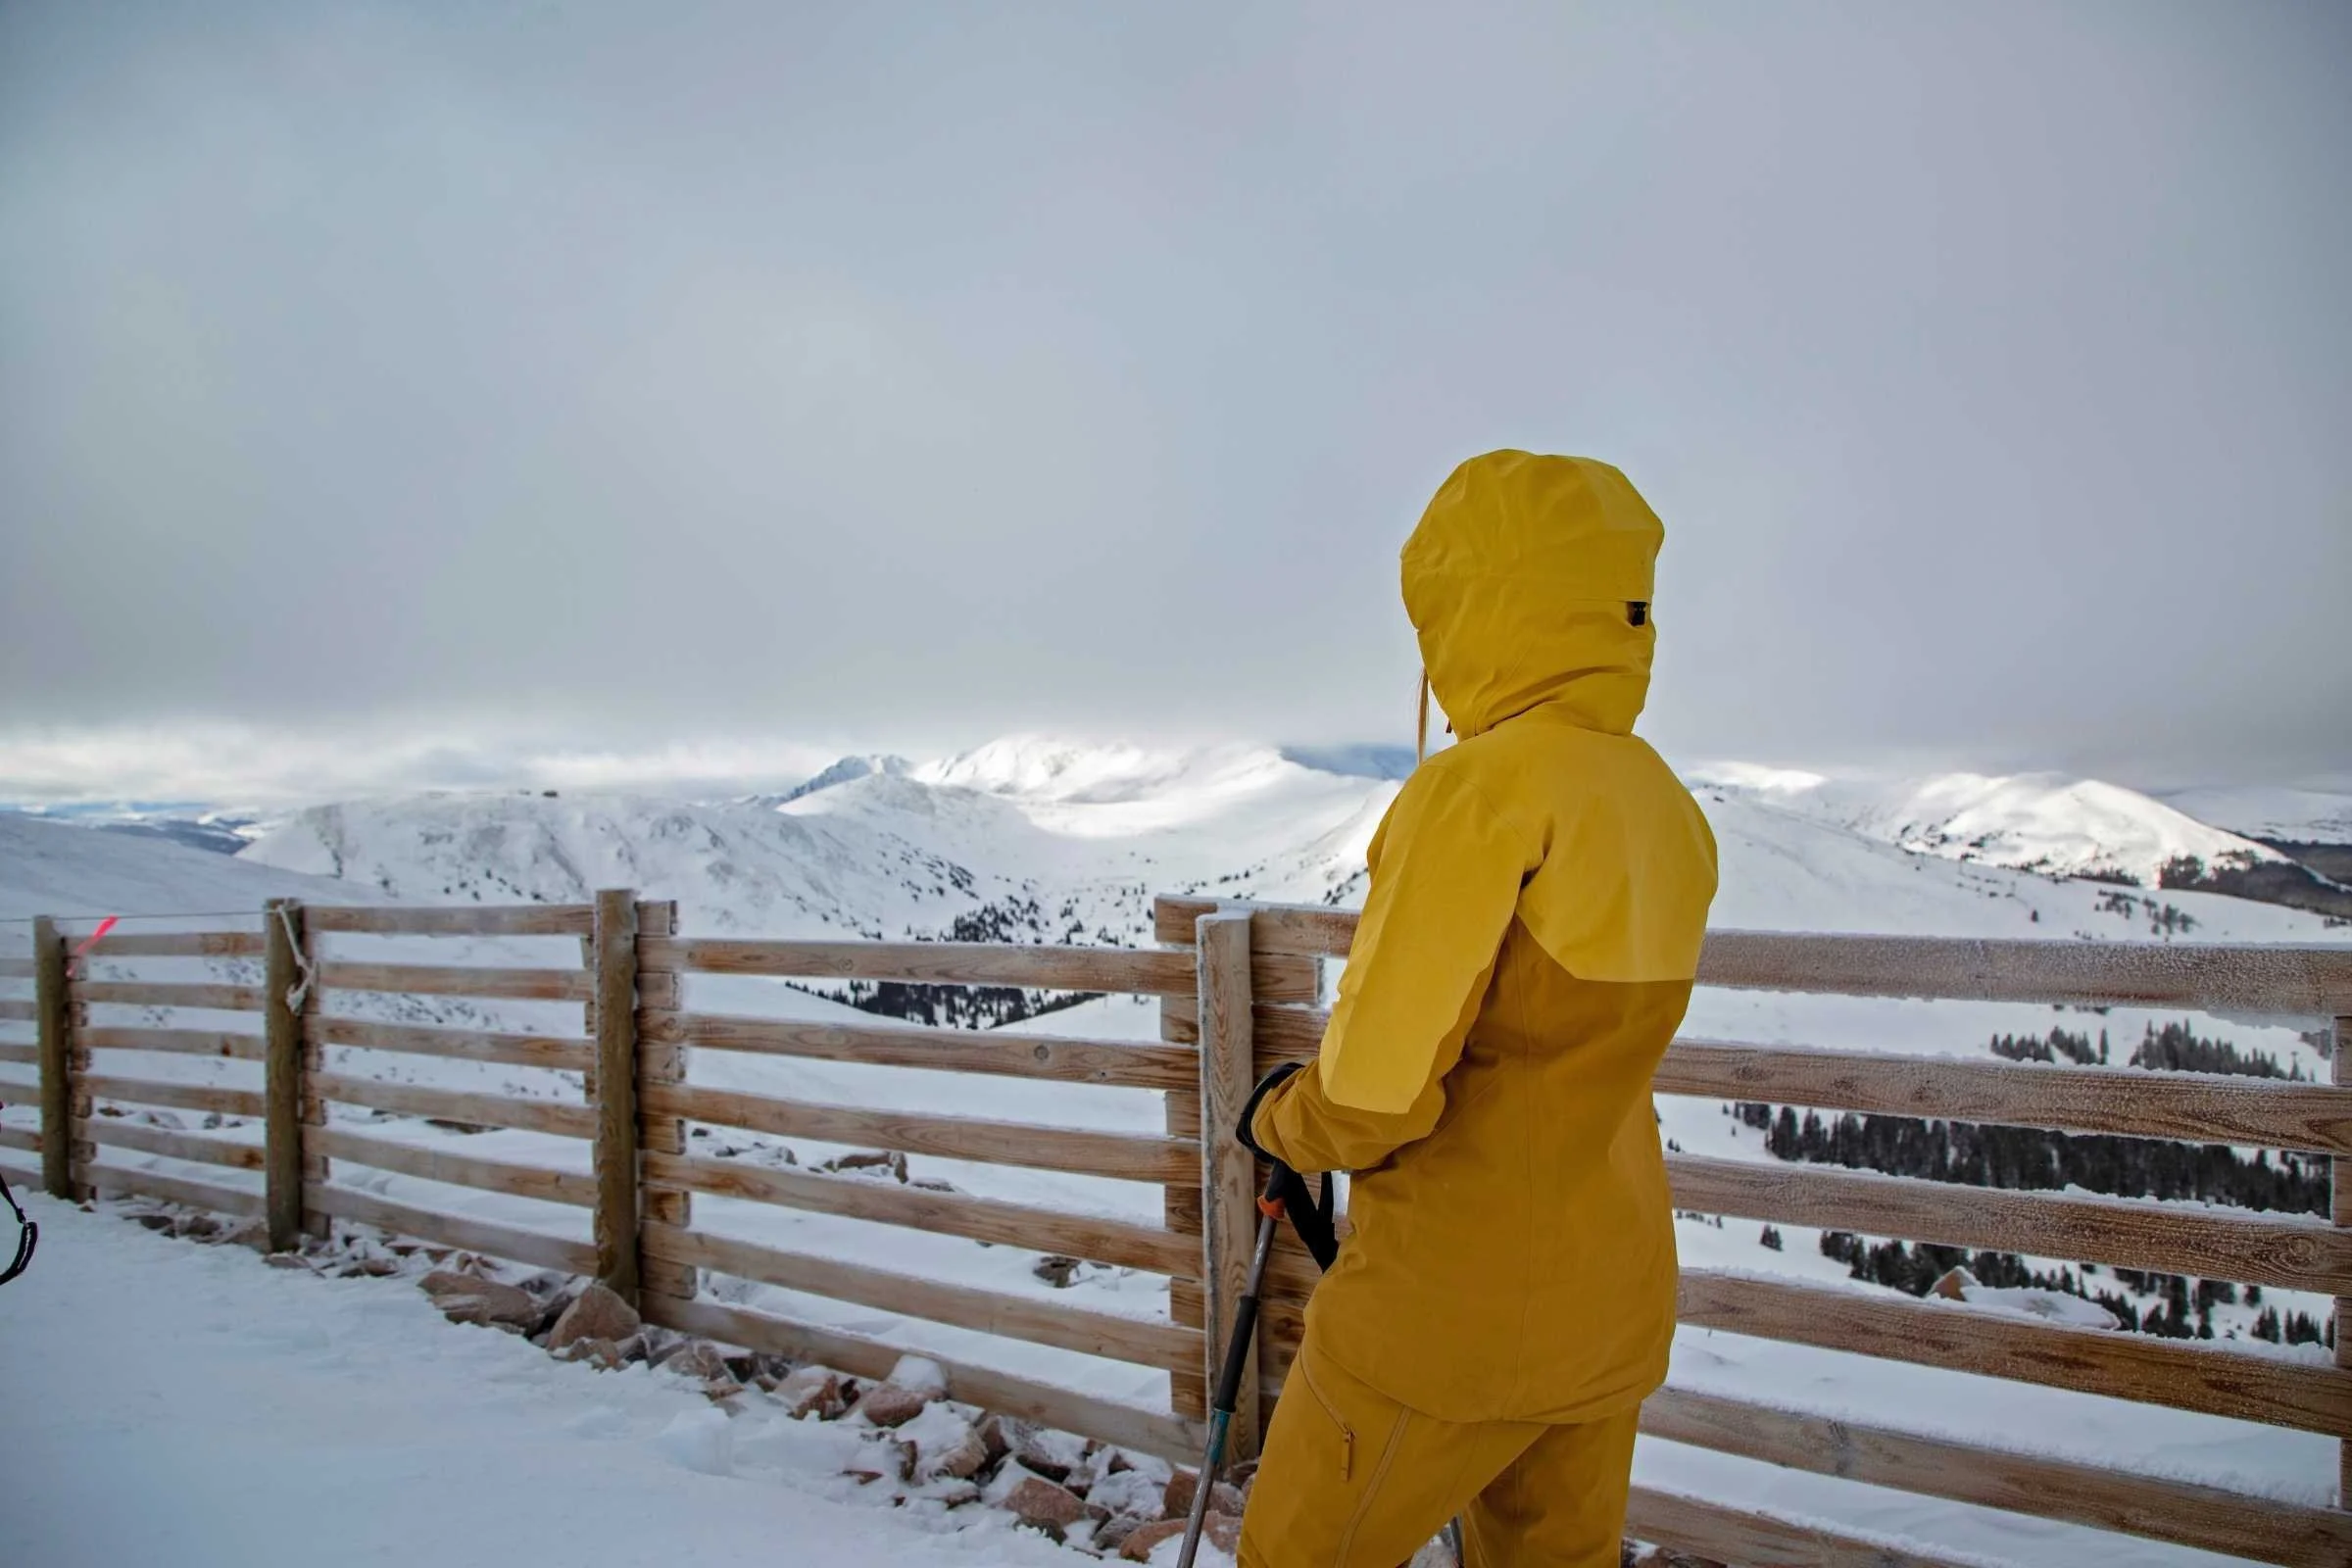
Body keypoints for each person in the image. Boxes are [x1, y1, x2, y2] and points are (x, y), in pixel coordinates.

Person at [1235, 451, 1719, 1567]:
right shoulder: (1665, 806)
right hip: (1612, 1304)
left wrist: (1277, 1122)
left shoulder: (1477, 791)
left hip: (1446, 1321)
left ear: (1475, 605)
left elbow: (1372, 1097)